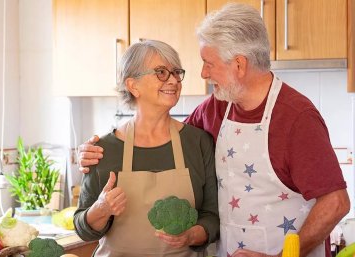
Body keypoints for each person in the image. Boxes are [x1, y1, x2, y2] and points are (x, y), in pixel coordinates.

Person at [77, 3, 350, 257]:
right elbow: (161, 134)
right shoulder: (215, 110)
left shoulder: (296, 117)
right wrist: (91, 151)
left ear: (239, 66)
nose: (203, 74)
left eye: (209, 63)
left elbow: (336, 202)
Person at [74, 39, 220, 257]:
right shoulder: (102, 149)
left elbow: (212, 216)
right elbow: (82, 228)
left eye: (176, 72)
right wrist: (101, 209)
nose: (173, 81)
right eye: (161, 72)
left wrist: (190, 235)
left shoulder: (198, 142)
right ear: (133, 86)